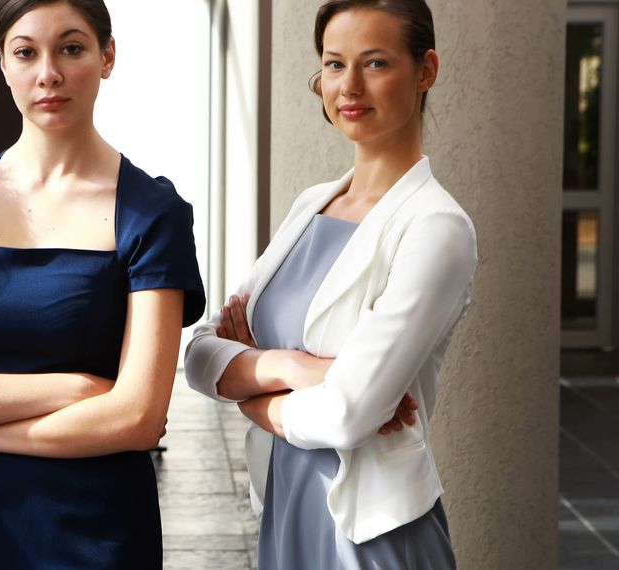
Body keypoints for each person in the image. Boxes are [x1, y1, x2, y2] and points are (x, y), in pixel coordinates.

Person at [0, 0, 205, 566]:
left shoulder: (153, 212)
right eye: (26, 52)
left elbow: (137, 417)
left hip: (99, 533)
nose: (48, 72)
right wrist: (73, 389)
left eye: (71, 48)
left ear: (108, 56)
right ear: (2, 63)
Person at [184, 0, 476, 568]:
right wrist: (294, 369)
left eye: (375, 63)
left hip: (370, 536)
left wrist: (246, 381)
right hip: (285, 510)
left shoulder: (436, 228)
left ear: (426, 71)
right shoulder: (311, 205)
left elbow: (347, 413)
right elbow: (198, 353)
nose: (350, 86)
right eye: (335, 64)